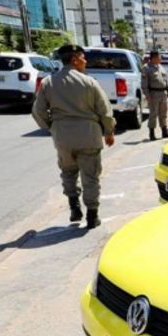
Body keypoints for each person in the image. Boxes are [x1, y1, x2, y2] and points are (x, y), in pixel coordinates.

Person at [32, 44, 115, 229]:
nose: (85, 61)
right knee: (90, 176)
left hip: (63, 137)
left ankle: (74, 207)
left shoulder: (48, 82)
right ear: (75, 59)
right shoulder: (89, 82)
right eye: (83, 57)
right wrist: (109, 131)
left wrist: (52, 127)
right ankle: (92, 216)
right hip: (89, 135)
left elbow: (38, 111)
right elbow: (105, 111)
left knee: (68, 172)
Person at [141, 51, 168, 141]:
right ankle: (152, 133)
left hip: (163, 94)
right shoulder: (146, 68)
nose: (160, 59)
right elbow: (144, 84)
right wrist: (147, 95)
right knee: (153, 114)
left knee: (163, 113)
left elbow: (166, 81)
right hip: (153, 94)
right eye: (159, 57)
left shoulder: (160, 67)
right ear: (154, 58)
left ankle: (164, 132)